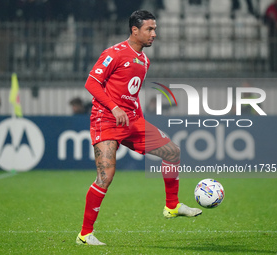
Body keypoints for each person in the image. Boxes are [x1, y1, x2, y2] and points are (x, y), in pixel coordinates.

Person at [76, 10, 202, 246]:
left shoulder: (144, 60)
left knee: (172, 152)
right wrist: (114, 107)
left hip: (132, 120)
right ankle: (85, 234)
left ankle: (172, 206)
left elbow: (132, 95)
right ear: (135, 30)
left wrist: (140, 120)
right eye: (149, 29)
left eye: (154, 29)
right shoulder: (113, 53)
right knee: (106, 176)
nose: (154, 33)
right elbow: (91, 82)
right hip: (106, 119)